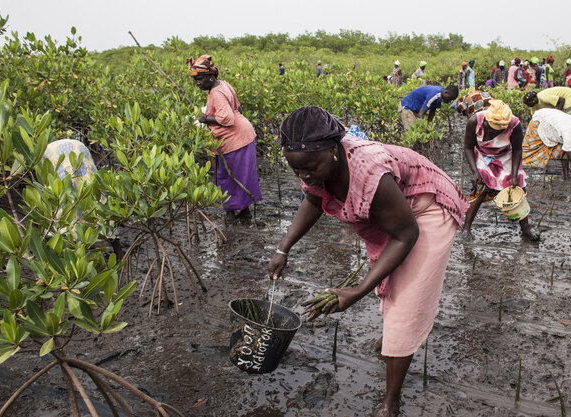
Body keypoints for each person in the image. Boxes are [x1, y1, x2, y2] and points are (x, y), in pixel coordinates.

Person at [268, 106, 468, 417]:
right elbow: (313, 199)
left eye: (310, 168)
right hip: (396, 210)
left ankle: (391, 401)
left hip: (426, 207)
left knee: (408, 300)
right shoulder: (316, 166)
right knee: (391, 280)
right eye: (297, 171)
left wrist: (357, 291)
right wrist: (284, 248)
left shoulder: (368, 170)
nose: (304, 175)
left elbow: (405, 234)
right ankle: (391, 340)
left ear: (334, 150)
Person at [188, 55, 263, 225]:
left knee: (226, 177)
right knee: (241, 175)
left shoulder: (216, 93)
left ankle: (231, 215)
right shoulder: (223, 85)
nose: (198, 83)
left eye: (200, 79)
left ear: (211, 76)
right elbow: (238, 108)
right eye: (195, 80)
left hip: (235, 140)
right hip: (243, 136)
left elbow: (227, 118)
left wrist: (205, 119)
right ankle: (244, 212)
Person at [461, 100, 539, 240]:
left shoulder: (514, 124)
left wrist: (514, 175)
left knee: (517, 190)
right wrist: (475, 172)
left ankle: (526, 230)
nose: (498, 130)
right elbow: (467, 147)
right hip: (483, 155)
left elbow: (517, 149)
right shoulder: (475, 121)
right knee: (479, 189)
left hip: (505, 156)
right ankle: (466, 229)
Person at [521, 108, 571, 184]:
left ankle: (566, 178)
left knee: (566, 152)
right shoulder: (568, 133)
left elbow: (569, 150)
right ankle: (517, 169)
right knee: (528, 150)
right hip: (540, 119)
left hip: (553, 122)